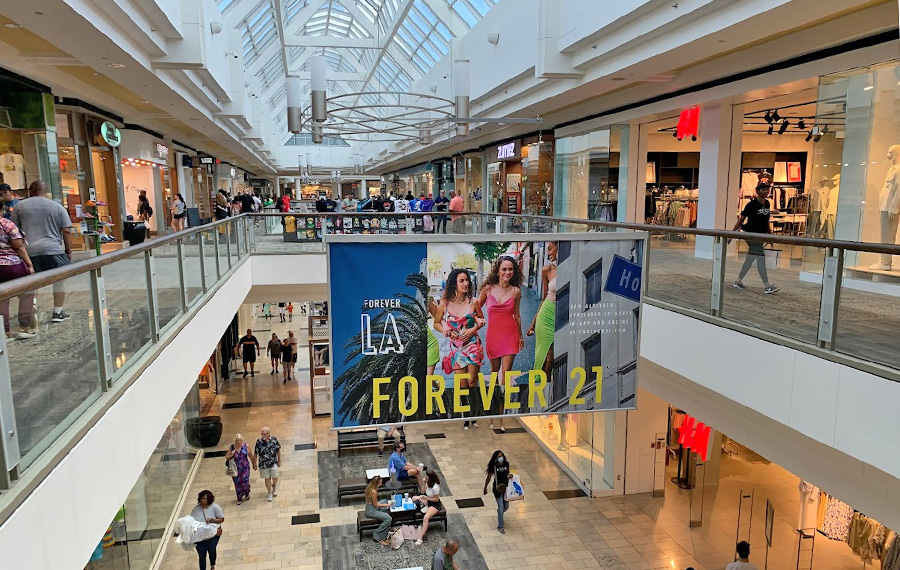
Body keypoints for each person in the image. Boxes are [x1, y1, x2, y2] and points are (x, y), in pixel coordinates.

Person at [11, 181, 73, 322]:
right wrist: (68, 251)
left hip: (29, 251)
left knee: (32, 283)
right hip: (53, 250)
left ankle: (32, 309)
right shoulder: (57, 206)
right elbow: (66, 231)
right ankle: (57, 313)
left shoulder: (19, 207)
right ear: (45, 191)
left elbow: (14, 231)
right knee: (59, 281)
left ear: (30, 191)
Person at [527, 242, 568, 450]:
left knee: (556, 359)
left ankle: (548, 396)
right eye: (549, 249)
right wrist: (533, 323)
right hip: (546, 314)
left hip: (561, 316)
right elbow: (543, 298)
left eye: (551, 248)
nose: (549, 252)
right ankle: (542, 398)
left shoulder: (569, 266)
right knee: (545, 358)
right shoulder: (546, 269)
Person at [476, 255, 524, 430]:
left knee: (506, 374)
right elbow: (476, 307)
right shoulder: (487, 289)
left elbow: (517, 315)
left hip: (510, 335)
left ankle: (502, 418)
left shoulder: (516, 291)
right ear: (497, 271)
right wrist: (480, 320)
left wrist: (520, 336)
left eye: (510, 269)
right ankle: (492, 414)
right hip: (493, 336)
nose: (507, 272)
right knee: (494, 373)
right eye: (504, 269)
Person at [433, 268, 485, 430]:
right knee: (461, 384)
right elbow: (436, 322)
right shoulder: (445, 303)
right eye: (461, 281)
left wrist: (472, 330)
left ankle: (473, 416)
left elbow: (481, 320)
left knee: (472, 381)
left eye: (467, 280)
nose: (465, 283)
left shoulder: (473, 302)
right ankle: (465, 416)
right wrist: (446, 331)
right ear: (454, 283)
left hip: (472, 346)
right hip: (456, 348)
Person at [733, 182, 779, 294]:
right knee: (760, 258)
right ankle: (767, 285)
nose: (766, 191)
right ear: (757, 191)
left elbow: (765, 221)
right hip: (751, 234)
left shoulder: (767, 204)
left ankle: (738, 281)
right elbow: (741, 219)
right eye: (763, 190)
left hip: (760, 235)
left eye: (767, 190)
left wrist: (769, 234)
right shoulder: (751, 205)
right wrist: (732, 233)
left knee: (751, 258)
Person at [0, 215, 35, 339]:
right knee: (27, 292)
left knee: (2, 297)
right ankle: (23, 327)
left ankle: (4, 332)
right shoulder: (7, 224)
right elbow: (18, 246)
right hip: (11, 264)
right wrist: (29, 264)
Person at [190, 490, 224, 570]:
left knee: (212, 550)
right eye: (202, 499)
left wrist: (212, 520)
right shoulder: (196, 509)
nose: (203, 500)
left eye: (205, 499)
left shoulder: (215, 507)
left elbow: (221, 519)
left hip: (212, 536)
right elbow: (192, 521)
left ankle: (212, 565)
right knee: (201, 556)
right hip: (200, 537)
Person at [484, 450, 511, 534]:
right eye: (499, 456)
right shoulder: (494, 466)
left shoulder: (506, 464)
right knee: (501, 507)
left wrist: (510, 475)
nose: (501, 458)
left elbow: (508, 472)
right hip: (498, 489)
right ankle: (500, 526)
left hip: (506, 488)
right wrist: (485, 487)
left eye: (501, 456)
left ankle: (500, 513)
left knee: (506, 506)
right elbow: (488, 477)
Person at [413, 469, 443, 546]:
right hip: (428, 500)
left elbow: (436, 499)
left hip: (434, 504)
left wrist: (427, 498)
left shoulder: (435, 487)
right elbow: (423, 491)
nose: (425, 477)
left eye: (427, 476)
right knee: (414, 498)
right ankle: (423, 507)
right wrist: (424, 483)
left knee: (426, 518)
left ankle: (420, 537)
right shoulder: (427, 482)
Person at [251, 427, 281, 502]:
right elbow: (255, 453)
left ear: (268, 434)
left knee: (275, 477)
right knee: (267, 478)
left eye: (264, 434)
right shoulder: (259, 442)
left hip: (273, 462)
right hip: (263, 464)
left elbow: (278, 450)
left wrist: (279, 460)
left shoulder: (274, 440)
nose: (263, 435)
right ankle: (269, 492)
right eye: (262, 434)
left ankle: (274, 485)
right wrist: (254, 463)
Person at [364, 475, 393, 546]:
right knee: (388, 518)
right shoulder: (373, 491)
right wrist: (387, 505)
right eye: (380, 483)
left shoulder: (370, 487)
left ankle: (383, 514)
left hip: (370, 507)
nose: (381, 484)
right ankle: (378, 536)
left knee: (384, 500)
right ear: (376, 483)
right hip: (371, 511)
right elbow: (376, 505)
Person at [225, 435, 251, 504]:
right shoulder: (232, 447)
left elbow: (250, 455)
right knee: (237, 483)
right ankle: (239, 498)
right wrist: (232, 454)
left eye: (240, 440)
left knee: (245, 482)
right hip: (236, 468)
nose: (238, 441)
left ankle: (246, 493)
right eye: (237, 440)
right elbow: (227, 457)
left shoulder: (246, 446)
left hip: (245, 467)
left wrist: (254, 463)